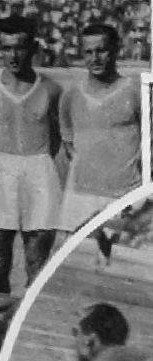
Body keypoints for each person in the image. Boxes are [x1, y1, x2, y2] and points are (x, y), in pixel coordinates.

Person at [0, 16, 63, 361]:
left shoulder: (52, 89)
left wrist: (37, 167)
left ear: (33, 48)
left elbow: (57, 137)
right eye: (6, 48)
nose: (13, 55)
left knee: (38, 263)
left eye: (20, 47)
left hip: (39, 170)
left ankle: (29, 343)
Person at [55, 24, 141, 264]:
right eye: (88, 52)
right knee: (80, 269)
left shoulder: (135, 92)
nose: (95, 58)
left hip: (124, 195)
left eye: (102, 50)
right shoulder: (71, 95)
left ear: (116, 50)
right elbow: (68, 146)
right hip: (82, 196)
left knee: (125, 269)